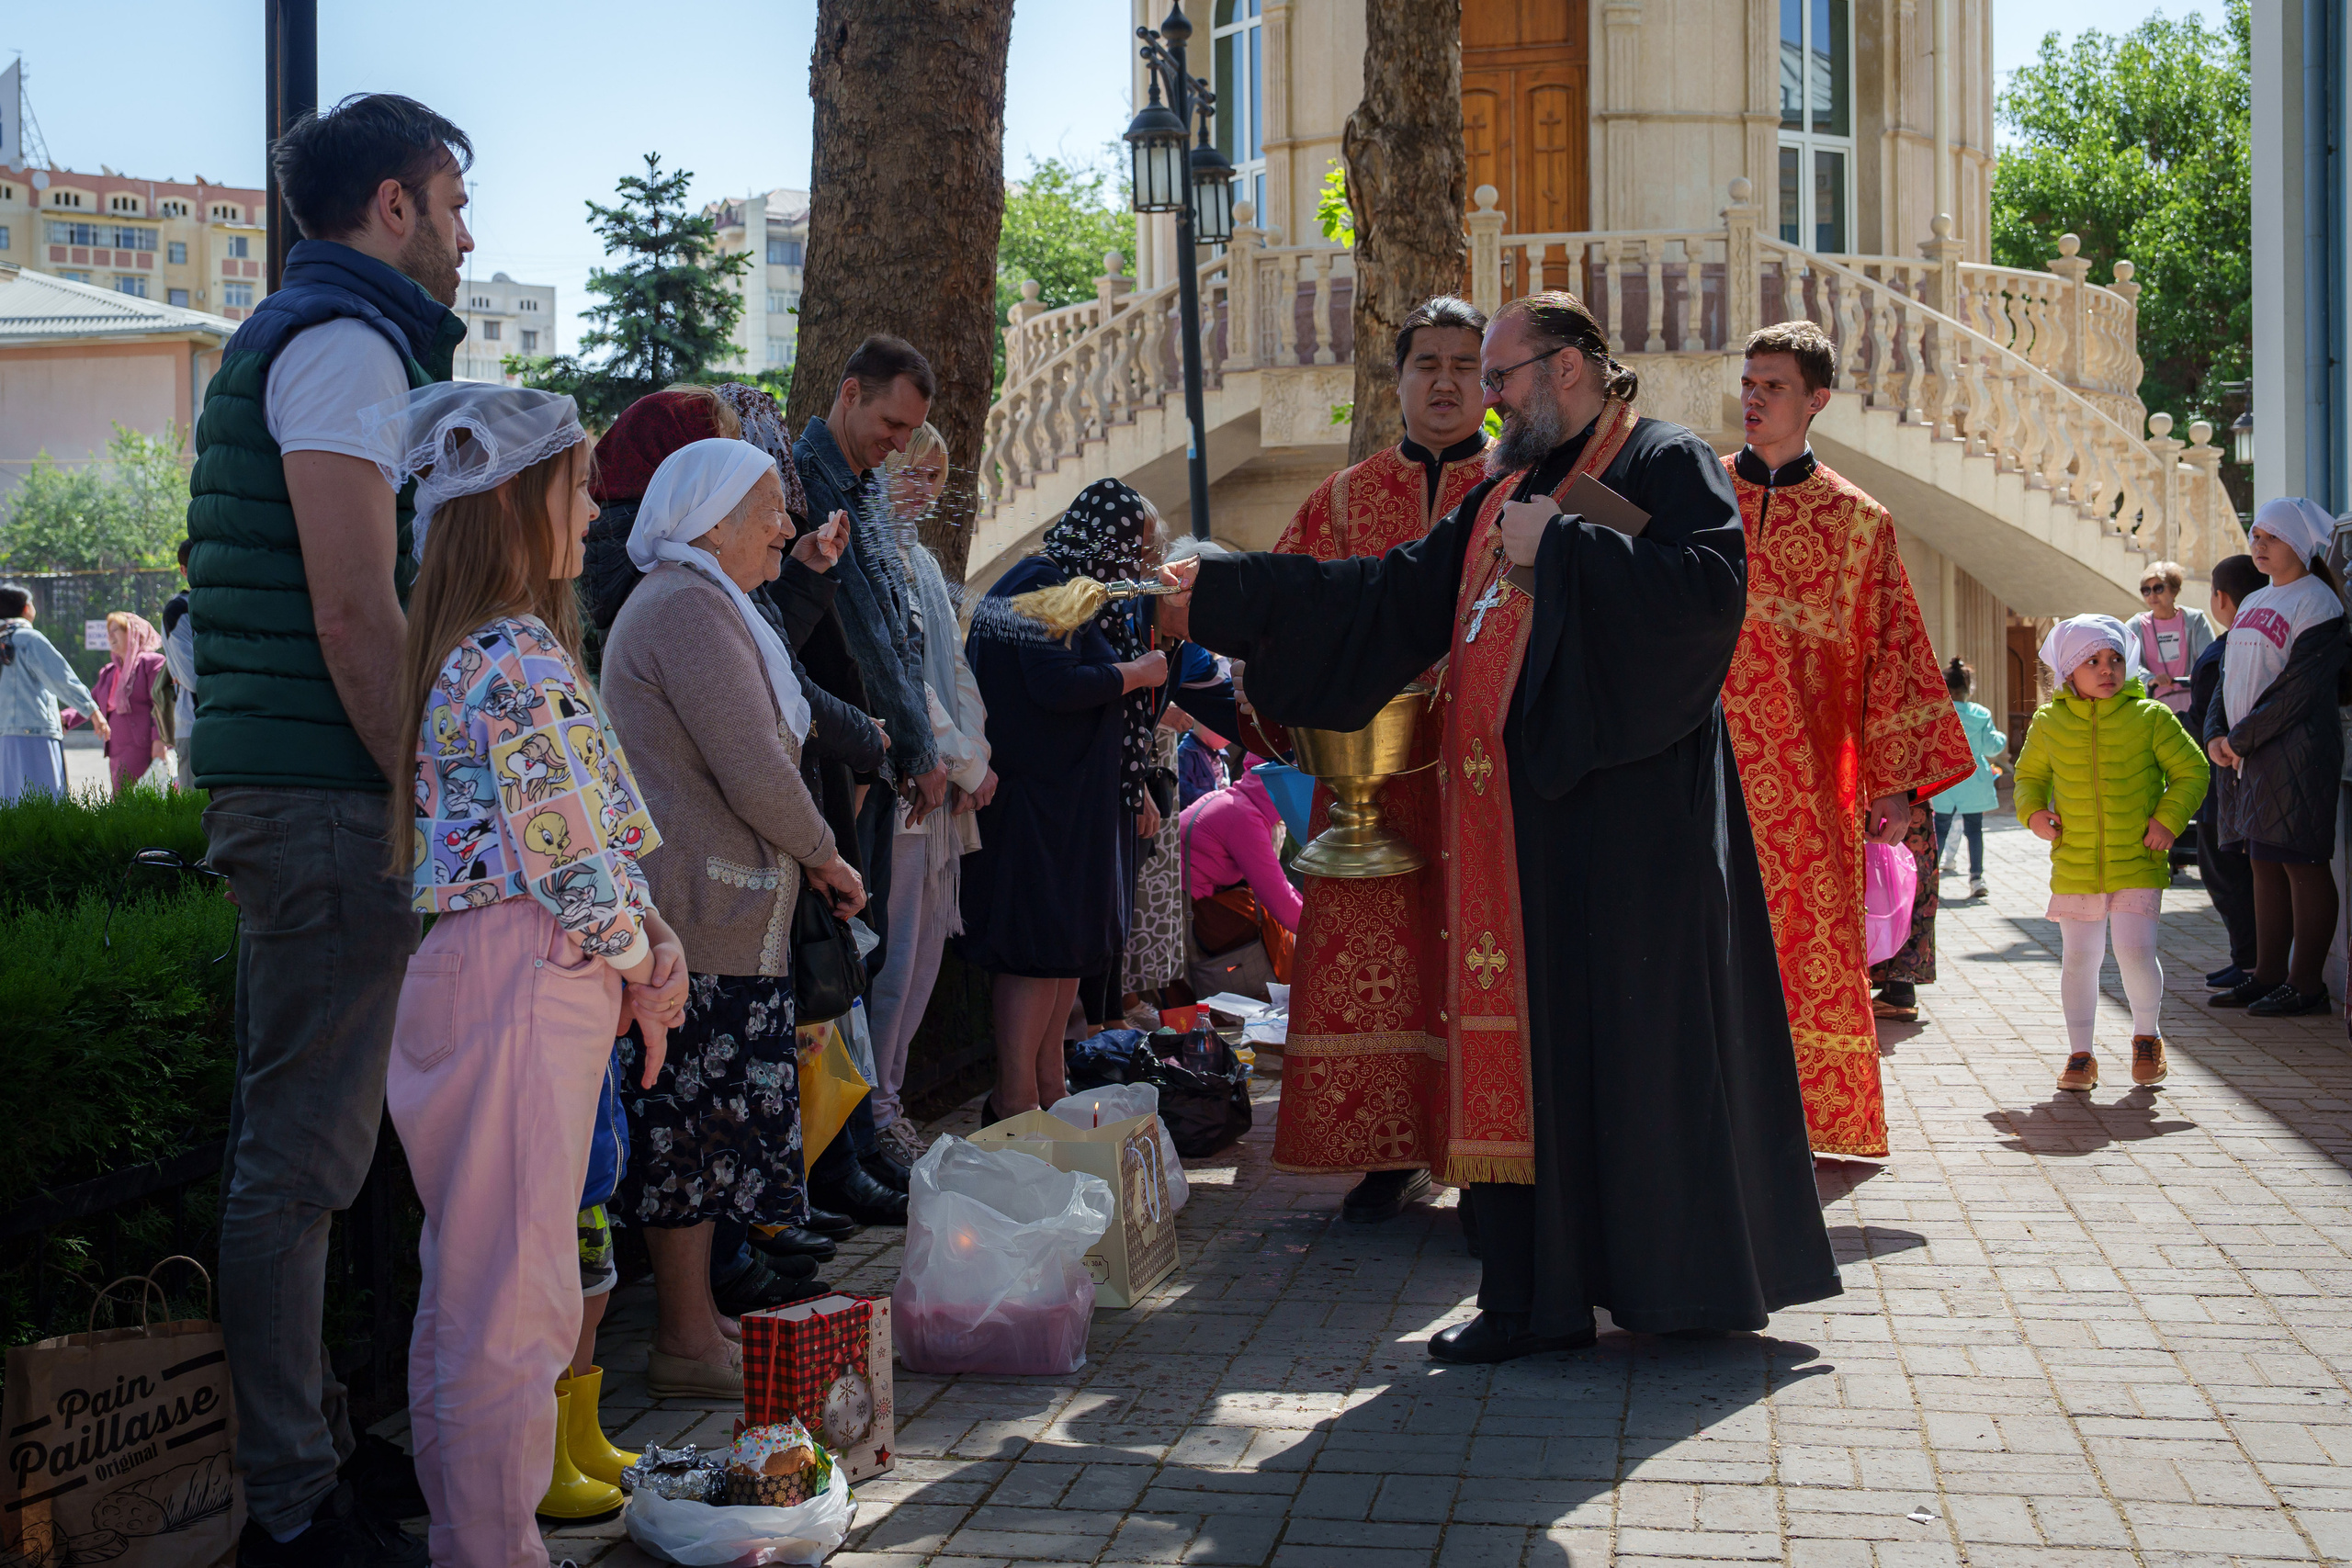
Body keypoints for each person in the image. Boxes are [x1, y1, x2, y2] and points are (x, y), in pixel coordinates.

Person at [1159, 290, 1838, 1362]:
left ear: (1566, 368)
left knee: (1624, 1065)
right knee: (1528, 1070)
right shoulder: (1502, 492)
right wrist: (1221, 593)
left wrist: (1563, 547)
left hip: (1627, 847)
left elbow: (1706, 596)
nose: (1485, 398)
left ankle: (1664, 1290)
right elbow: (1382, 598)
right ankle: (1533, 1301)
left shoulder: (1661, 461)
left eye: (1501, 377)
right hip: (1515, 845)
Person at [184, 91, 473, 1565]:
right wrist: (427, 801)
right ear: (392, 207)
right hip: (321, 798)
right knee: (298, 1165)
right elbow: (357, 609)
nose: (468, 233)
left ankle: (323, 1451)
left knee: (316, 1159)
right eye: (451, 200)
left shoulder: (323, 339)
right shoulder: (347, 346)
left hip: (300, 785)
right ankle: (291, 1502)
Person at [368, 381, 687, 1567]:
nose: (595, 508)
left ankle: (487, 1540)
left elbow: (574, 843)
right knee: (510, 1308)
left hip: (505, 971)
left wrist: (638, 948)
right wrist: (648, 960)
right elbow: (567, 856)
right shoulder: (511, 654)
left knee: (490, 1298)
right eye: (576, 481)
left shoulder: (493, 646)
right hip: (520, 976)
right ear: (513, 497)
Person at [601, 438, 868, 1398]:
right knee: (691, 1133)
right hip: (698, 914)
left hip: (714, 913)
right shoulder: (686, 605)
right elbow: (753, 760)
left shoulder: (707, 603)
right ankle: (682, 1340)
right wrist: (825, 853)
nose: (786, 526)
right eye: (768, 507)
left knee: (709, 1133)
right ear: (711, 517)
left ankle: (697, 1324)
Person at [1719, 321, 1974, 1156]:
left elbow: (1895, 657)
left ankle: (1802, 1123)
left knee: (1806, 951)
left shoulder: (1861, 523)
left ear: (1816, 400)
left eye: (1775, 386)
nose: (1754, 399)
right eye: (1749, 383)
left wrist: (1894, 787)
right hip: (1699, 772)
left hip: (1807, 789)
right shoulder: (1699, 499)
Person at [1270, 294, 1494, 1222]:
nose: (1443, 384)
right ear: (1395, 379)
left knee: (1483, 953)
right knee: (1377, 954)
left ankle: (1490, 1152)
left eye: (1462, 366)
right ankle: (1381, 1148)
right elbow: (1283, 623)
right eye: (1425, 365)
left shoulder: (1524, 493)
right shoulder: (1343, 500)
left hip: (1486, 782)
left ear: (1490, 382)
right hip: (1371, 787)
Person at [961, 478, 1170, 1117]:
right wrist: (1136, 672)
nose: (1136, 569)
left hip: (1066, 806)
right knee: (1034, 951)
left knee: (1063, 950)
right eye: (1134, 553)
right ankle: (1017, 1097)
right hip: (1032, 809)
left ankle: (1049, 1084)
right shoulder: (1040, 580)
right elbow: (1055, 684)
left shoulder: (1073, 584)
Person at [863, 423, 993, 1160]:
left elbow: (956, 670)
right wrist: (965, 764)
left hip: (944, 792)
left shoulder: (918, 559)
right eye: (912, 472)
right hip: (905, 792)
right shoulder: (875, 555)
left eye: (936, 477)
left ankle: (893, 1099)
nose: (925, 489)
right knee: (897, 956)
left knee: (923, 963)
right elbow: (900, 679)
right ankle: (877, 1113)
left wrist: (976, 755)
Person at [2012, 616, 2207, 1091]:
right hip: (2075, 862)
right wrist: (2034, 814)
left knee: (2135, 952)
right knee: (2079, 959)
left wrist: (2167, 820)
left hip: (2138, 859)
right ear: (2066, 671)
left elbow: (2192, 771)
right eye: (2092, 661)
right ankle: (2081, 1056)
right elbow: (2029, 779)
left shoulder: (2152, 717)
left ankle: (2147, 1038)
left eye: (2115, 659)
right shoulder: (2048, 722)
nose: (2107, 669)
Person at [2207, 498, 2349, 1016]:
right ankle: (2267, 976)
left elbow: (2299, 691)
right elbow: (2227, 679)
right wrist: (2215, 734)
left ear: (2299, 544)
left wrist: (2238, 739)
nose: (2258, 545)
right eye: (2255, 535)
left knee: (2303, 865)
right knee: (2264, 863)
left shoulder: (2318, 604)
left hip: (2297, 754)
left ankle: (2307, 985)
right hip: (2249, 755)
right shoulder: (2254, 601)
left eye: (2271, 537)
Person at [2186, 553, 2265, 990]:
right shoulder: (2250, 644)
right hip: (2240, 780)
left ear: (2220, 599)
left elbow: (2204, 719)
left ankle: (2251, 961)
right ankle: (2248, 959)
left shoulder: (2226, 651)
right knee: (2236, 874)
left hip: (2222, 784)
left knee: (2225, 873)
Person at [1178, 753, 1302, 984]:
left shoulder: (1232, 799)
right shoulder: (1244, 817)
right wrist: (1329, 930)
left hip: (1182, 902)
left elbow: (1279, 885)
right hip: (1178, 913)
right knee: (1269, 922)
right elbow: (1281, 902)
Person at [0, 584, 101, 802]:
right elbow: (61, 679)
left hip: (4, 737)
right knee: (43, 806)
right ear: (27, 608)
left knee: (8, 808)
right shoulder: (28, 639)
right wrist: (92, 710)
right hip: (33, 735)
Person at [1933, 659, 2007, 900]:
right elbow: (1991, 747)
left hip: (1944, 780)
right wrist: (2001, 737)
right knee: (1974, 830)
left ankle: (1929, 879)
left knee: (1940, 830)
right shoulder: (1981, 714)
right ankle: (1977, 878)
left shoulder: (1938, 713)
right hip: (1973, 780)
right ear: (1969, 687)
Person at [2124, 559, 2215, 716]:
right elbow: (2127, 663)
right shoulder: (2135, 626)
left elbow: (2209, 659)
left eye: (2158, 588)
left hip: (2195, 705)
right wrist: (2151, 679)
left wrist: (2197, 676)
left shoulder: (2195, 620)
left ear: (2174, 590)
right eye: (2146, 590)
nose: (2151, 595)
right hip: (2153, 707)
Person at [91, 611, 167, 795]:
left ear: (133, 632)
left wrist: (159, 740)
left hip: (141, 746)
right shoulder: (109, 672)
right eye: (108, 632)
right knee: (122, 800)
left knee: (138, 800)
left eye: (115, 630)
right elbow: (89, 703)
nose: (110, 636)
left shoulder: (151, 663)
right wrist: (64, 718)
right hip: (116, 747)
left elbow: (162, 703)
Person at [162, 540, 198, 791]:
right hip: (195, 726)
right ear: (184, 571)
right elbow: (192, 678)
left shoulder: (232, 604)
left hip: (237, 725)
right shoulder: (179, 611)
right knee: (195, 814)